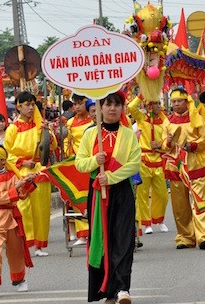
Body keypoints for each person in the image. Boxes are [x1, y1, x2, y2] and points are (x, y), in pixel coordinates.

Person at [75, 91, 141, 303]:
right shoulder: (90, 134)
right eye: (108, 104)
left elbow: (134, 164)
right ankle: (107, 291)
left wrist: (111, 177)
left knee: (123, 239)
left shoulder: (129, 134)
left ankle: (123, 288)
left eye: (117, 105)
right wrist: (95, 159)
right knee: (103, 241)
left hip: (122, 191)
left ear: (122, 108)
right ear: (100, 108)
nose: (112, 109)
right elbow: (80, 163)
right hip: (98, 193)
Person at [4, 91, 57, 257]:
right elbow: (6, 154)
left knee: (41, 209)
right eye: (27, 104)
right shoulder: (12, 128)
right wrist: (22, 162)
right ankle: (25, 243)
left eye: (32, 104)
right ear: (19, 107)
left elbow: (51, 146)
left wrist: (48, 132)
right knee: (23, 209)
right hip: (21, 173)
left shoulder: (40, 125)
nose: (30, 107)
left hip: (39, 171)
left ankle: (40, 246)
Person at [162, 87, 205, 250]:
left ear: (187, 102)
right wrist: (168, 142)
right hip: (176, 166)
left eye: (179, 101)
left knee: (199, 201)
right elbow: (164, 146)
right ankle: (185, 237)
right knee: (180, 205)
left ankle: (203, 236)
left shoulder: (196, 119)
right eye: (174, 101)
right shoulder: (167, 121)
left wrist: (192, 145)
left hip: (195, 164)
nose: (176, 104)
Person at [0, 144, 37, 298]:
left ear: (3, 161)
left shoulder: (13, 175)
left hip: (12, 217)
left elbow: (22, 194)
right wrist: (17, 186)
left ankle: (19, 279)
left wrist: (27, 182)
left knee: (16, 251)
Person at [128, 94, 169, 234]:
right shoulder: (141, 119)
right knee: (142, 194)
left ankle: (159, 220)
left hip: (158, 159)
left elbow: (169, 139)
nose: (158, 106)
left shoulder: (164, 121)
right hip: (144, 160)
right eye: (154, 103)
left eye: (159, 103)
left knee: (162, 194)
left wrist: (161, 145)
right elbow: (131, 107)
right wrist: (142, 95)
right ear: (148, 105)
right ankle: (146, 223)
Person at [64, 94, 93, 246]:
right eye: (74, 104)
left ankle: (93, 231)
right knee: (78, 198)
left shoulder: (93, 120)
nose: (77, 107)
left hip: (92, 162)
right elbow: (66, 141)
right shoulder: (69, 123)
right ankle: (82, 234)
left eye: (79, 103)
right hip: (77, 163)